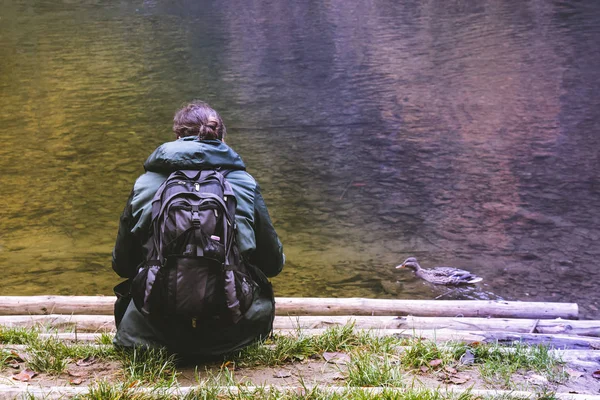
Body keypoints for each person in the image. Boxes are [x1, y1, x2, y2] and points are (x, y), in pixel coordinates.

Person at [111, 100, 284, 357]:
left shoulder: (146, 183)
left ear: (177, 137)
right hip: (232, 334)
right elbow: (272, 264)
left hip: (152, 334)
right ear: (221, 137)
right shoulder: (243, 183)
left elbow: (122, 265)